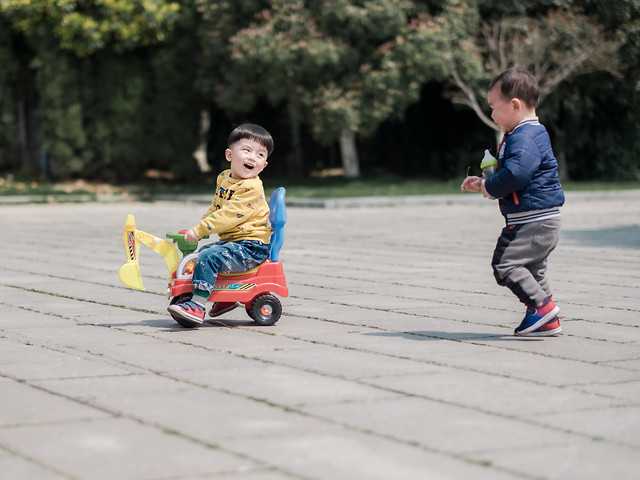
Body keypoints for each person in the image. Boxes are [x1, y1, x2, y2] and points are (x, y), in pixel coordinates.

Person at [461, 68, 565, 337]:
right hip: (541, 219)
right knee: (532, 271)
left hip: (532, 221)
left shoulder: (525, 136)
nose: (492, 114)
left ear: (515, 105)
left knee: (505, 264)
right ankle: (547, 320)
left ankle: (541, 307)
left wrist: (491, 188)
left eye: (494, 107)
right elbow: (516, 171)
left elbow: (517, 174)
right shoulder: (526, 133)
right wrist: (485, 182)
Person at [168, 123, 274, 327]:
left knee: (209, 257)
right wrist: (199, 228)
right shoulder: (224, 178)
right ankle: (225, 298)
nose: (253, 157)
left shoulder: (251, 188)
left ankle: (197, 305)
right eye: (247, 150)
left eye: (261, 155)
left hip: (251, 247)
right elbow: (217, 207)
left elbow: (227, 215)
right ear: (229, 155)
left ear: (264, 165)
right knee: (203, 253)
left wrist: (200, 230)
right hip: (236, 243)